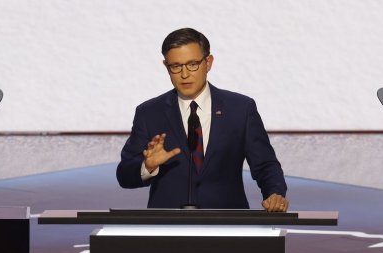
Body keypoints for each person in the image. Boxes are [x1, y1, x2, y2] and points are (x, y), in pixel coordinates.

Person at [116, 28, 289, 212]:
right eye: (176, 66)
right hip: (167, 230)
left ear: (208, 63)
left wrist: (274, 194)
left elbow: (265, 165)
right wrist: (147, 166)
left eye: (192, 64)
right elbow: (124, 174)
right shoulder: (149, 113)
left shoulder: (240, 109)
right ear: (166, 66)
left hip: (228, 227)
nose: (184, 74)